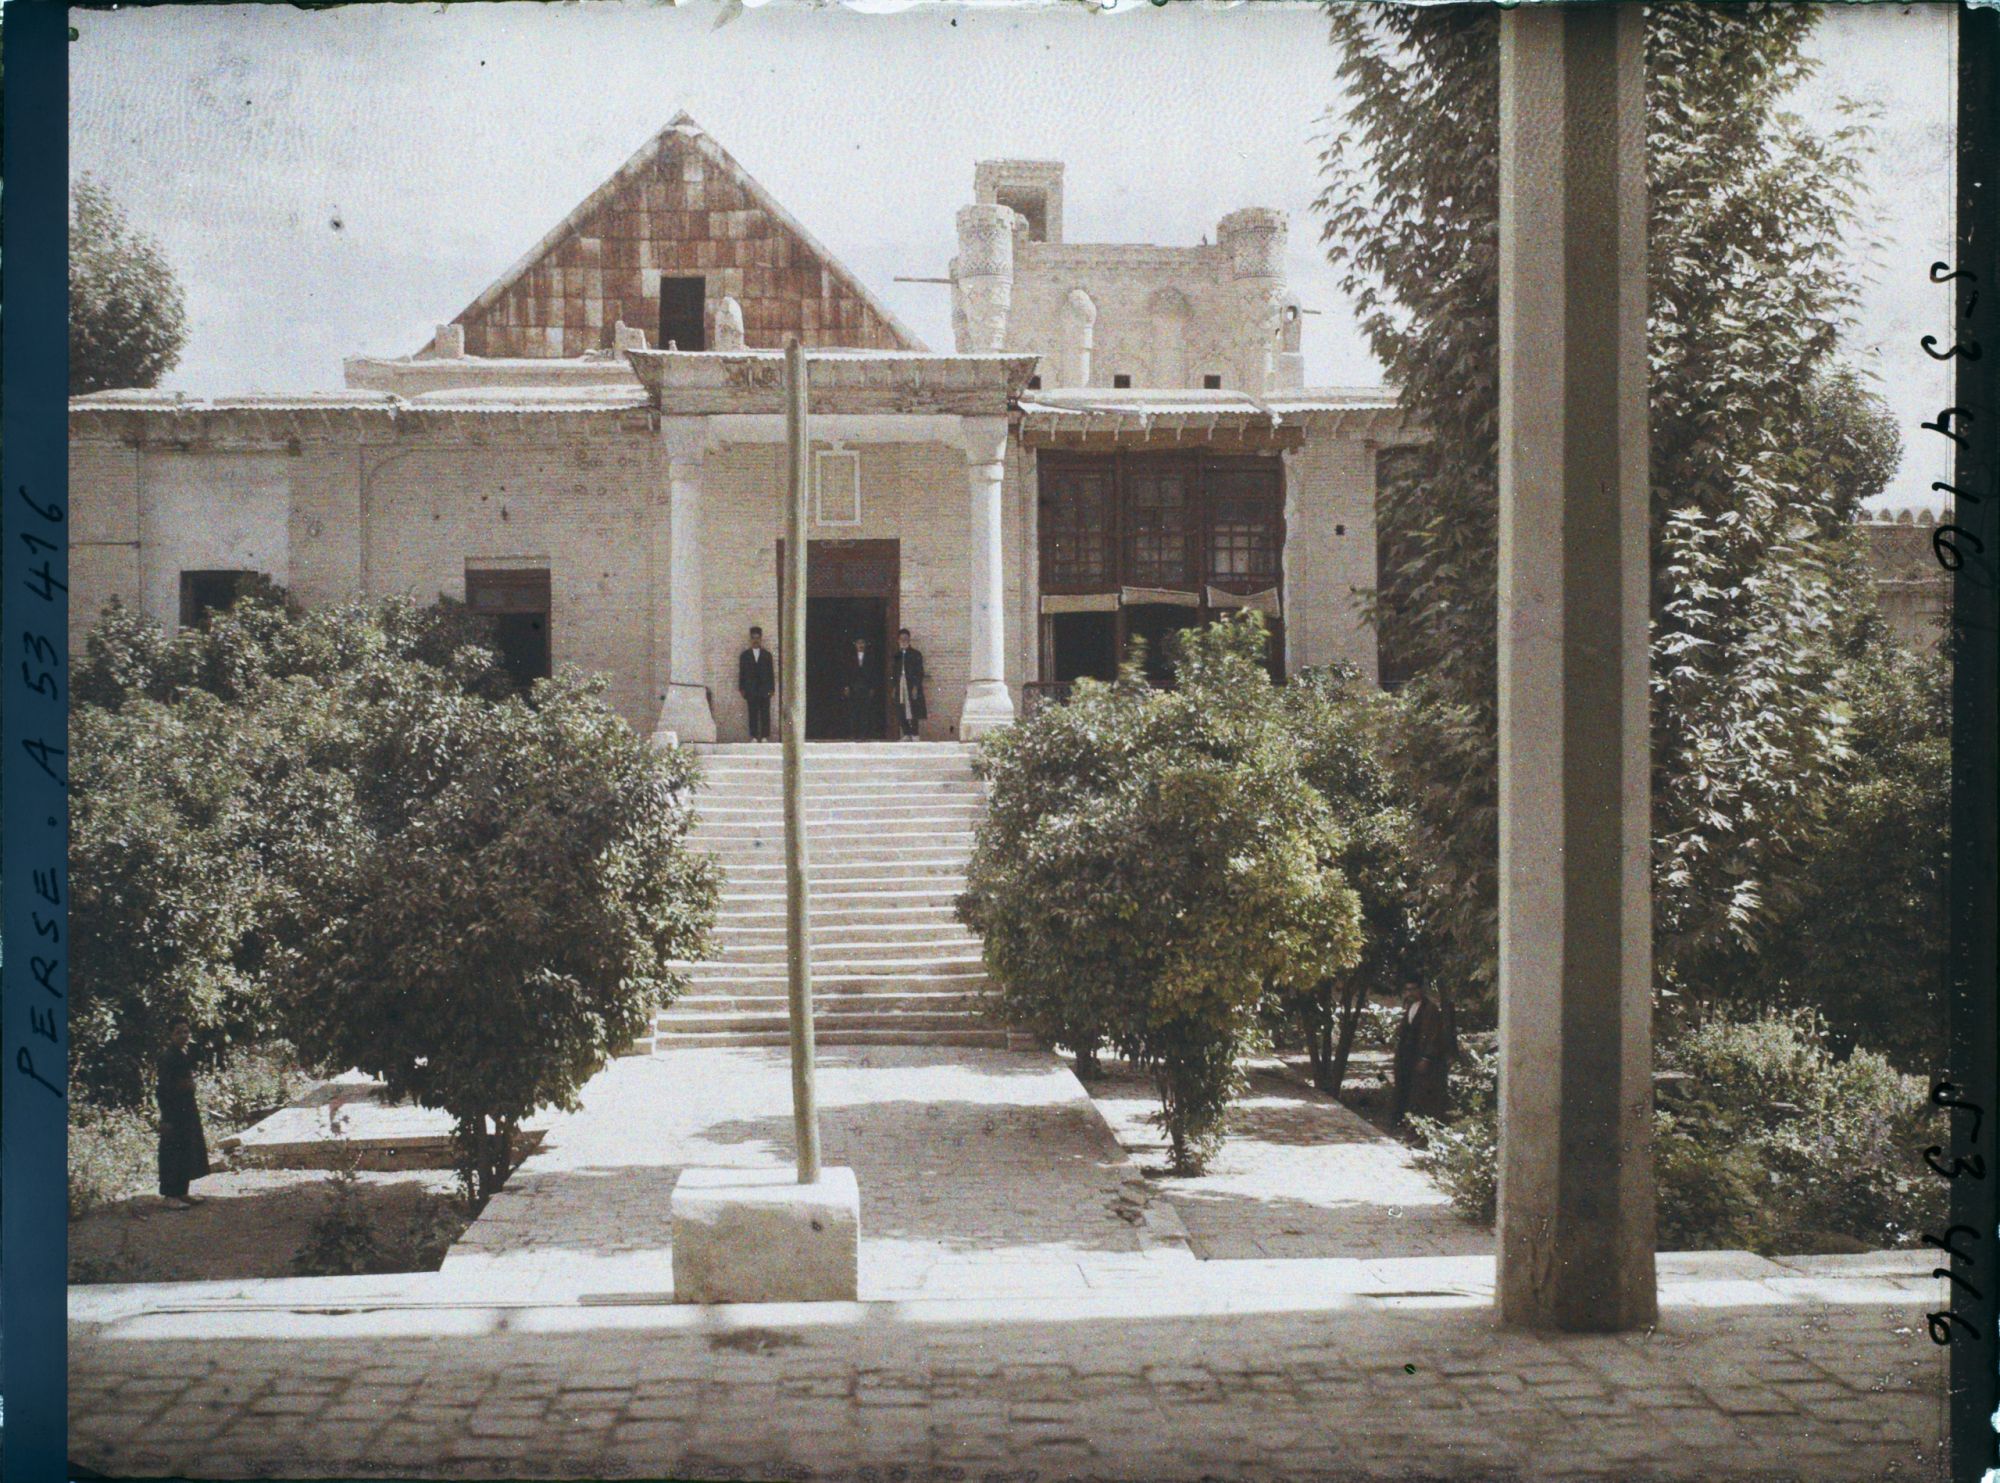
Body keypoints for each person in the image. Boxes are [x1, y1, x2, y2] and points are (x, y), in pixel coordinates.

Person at [155, 1017, 211, 1209]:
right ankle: (170, 1195)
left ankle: (182, 1192)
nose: (183, 1035)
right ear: (170, 1035)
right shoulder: (167, 1057)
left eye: (186, 1031)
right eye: (178, 1032)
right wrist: (166, 1117)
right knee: (172, 1151)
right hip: (173, 1110)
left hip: (186, 1109)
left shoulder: (183, 1053)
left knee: (186, 1149)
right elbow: (163, 1089)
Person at [1390, 982, 1453, 1127]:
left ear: (1420, 990)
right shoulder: (1410, 1007)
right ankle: (1404, 1120)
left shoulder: (1430, 1009)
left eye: (1413, 989)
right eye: (1407, 990)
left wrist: (1426, 1058)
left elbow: (1434, 1037)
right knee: (1404, 1087)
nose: (1410, 993)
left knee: (1423, 1091)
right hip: (1407, 1055)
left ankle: (1423, 1124)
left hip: (1422, 1055)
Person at [738, 625, 775, 742]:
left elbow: (771, 673)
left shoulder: (767, 655)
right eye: (753, 638)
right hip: (751, 689)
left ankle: (764, 736)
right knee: (752, 713)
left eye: (757, 638)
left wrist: (772, 688)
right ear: (750, 639)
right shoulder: (744, 656)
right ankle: (753, 736)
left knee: (765, 713)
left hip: (764, 689)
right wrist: (742, 688)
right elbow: (742, 673)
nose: (755, 640)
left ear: (761, 639)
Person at [890, 628, 927, 741]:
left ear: (909, 640)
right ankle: (906, 733)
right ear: (898, 640)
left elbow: (919, 672)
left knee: (913, 708)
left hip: (911, 685)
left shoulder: (916, 654)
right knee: (901, 708)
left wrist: (916, 687)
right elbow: (894, 672)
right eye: (901, 639)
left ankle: (915, 734)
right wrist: (894, 687)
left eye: (906, 639)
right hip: (900, 685)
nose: (903, 641)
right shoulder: (897, 656)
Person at [844, 633, 879, 740]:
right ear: (855, 644)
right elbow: (846, 672)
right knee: (853, 711)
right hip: (853, 687)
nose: (860, 645)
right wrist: (846, 686)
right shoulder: (850, 657)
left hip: (866, 687)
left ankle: (864, 734)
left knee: (865, 711)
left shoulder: (871, 657)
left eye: (862, 643)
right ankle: (853, 734)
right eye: (858, 643)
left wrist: (872, 687)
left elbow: (874, 673)